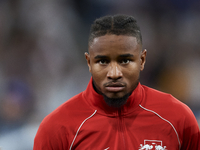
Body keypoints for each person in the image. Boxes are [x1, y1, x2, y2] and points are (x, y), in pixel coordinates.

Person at [33, 14, 200, 150]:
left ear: (142, 60)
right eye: (103, 62)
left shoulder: (179, 119)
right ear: (89, 62)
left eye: (125, 61)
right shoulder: (56, 128)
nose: (114, 73)